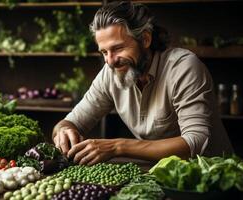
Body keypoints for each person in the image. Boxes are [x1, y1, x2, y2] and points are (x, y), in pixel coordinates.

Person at [52, 0, 233, 165]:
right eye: (104, 52)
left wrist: (118, 147)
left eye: (118, 48)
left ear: (145, 39)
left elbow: (196, 142)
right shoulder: (110, 73)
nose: (110, 61)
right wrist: (63, 131)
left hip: (213, 176)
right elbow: (69, 123)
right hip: (160, 174)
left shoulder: (183, 67)